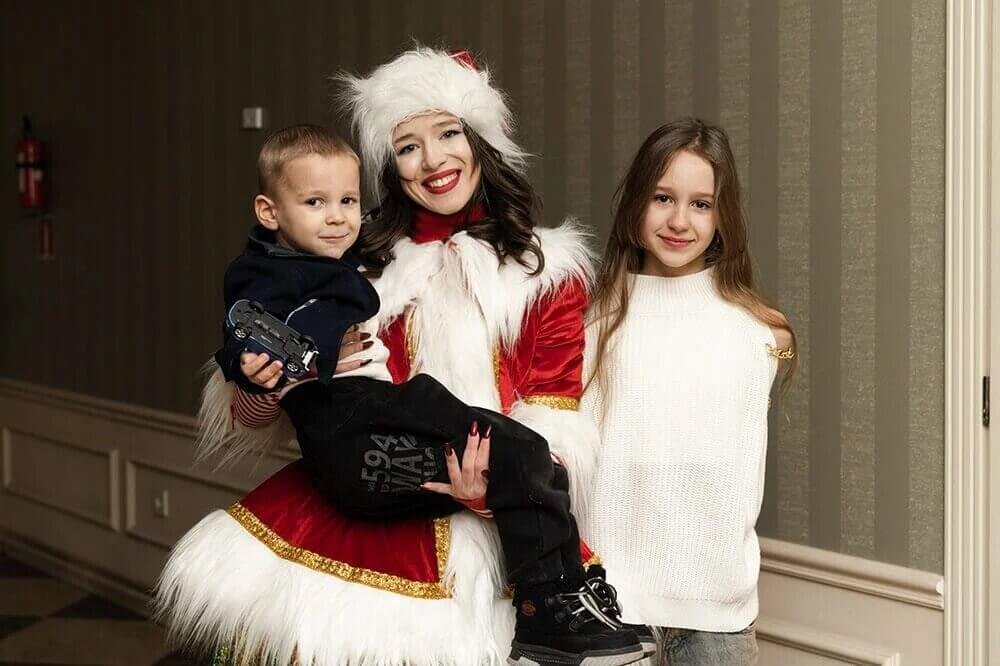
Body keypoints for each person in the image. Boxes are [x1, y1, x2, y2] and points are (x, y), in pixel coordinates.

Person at [156, 47, 630, 666]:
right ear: (388, 164)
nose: (432, 160)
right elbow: (260, 414)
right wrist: (264, 384)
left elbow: (555, 414)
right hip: (370, 495)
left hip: (503, 523)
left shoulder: (549, 273)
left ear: (481, 141)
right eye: (408, 146)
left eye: (449, 134)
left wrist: (485, 488)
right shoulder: (348, 264)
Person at [582, 118, 797, 666]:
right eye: (663, 198)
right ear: (636, 203)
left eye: (701, 204)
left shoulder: (763, 333)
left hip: (717, 620)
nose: (680, 220)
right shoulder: (589, 323)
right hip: (606, 608)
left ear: (723, 216)